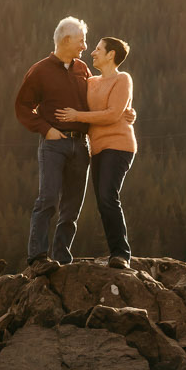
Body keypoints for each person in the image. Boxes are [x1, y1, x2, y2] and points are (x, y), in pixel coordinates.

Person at [14, 16, 93, 270]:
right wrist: (46, 129)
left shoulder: (83, 70)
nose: (85, 46)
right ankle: (37, 258)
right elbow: (23, 107)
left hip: (81, 146)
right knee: (48, 199)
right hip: (53, 145)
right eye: (81, 40)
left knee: (72, 205)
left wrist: (123, 112)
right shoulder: (40, 71)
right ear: (67, 40)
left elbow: (97, 103)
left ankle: (62, 257)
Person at [54, 35, 136, 269]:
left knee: (108, 196)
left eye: (98, 49)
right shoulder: (91, 82)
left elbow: (112, 114)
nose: (93, 52)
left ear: (111, 55)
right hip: (97, 148)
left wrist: (77, 116)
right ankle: (117, 253)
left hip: (119, 145)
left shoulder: (123, 79)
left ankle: (121, 254)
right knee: (103, 200)